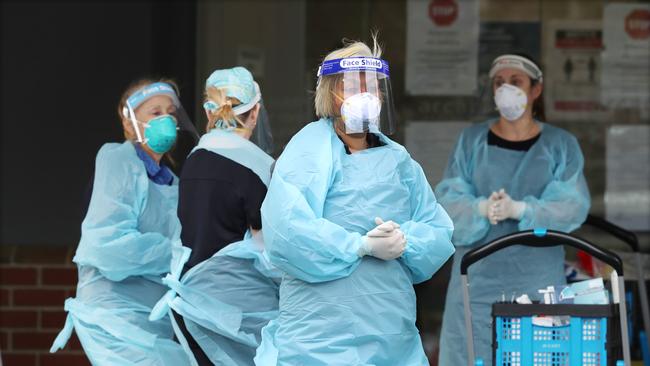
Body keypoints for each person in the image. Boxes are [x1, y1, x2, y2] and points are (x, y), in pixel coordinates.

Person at [255, 36, 455, 366]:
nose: (365, 95)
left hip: (391, 332)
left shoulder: (397, 159)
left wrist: (406, 242)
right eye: (352, 86)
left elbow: (435, 228)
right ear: (330, 94)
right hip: (320, 337)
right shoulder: (308, 151)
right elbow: (286, 233)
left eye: (372, 86)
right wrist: (359, 245)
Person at [436, 54, 591, 366]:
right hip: (476, 283)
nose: (506, 89)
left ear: (536, 90)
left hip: (537, 281)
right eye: (499, 83)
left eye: (516, 82)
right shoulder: (471, 142)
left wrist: (520, 209)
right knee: (472, 352)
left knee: (538, 355)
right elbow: (447, 205)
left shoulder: (560, 145)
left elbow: (571, 206)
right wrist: (480, 208)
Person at [50, 79, 198, 365]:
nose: (166, 119)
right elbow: (108, 246)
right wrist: (177, 255)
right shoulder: (118, 161)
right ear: (129, 122)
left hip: (155, 322)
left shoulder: (174, 184)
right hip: (116, 318)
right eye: (155, 113)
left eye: (170, 112)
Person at [149, 66, 279, 366]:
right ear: (255, 112)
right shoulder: (258, 169)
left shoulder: (193, 162)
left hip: (189, 309)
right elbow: (273, 252)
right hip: (238, 318)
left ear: (209, 113)